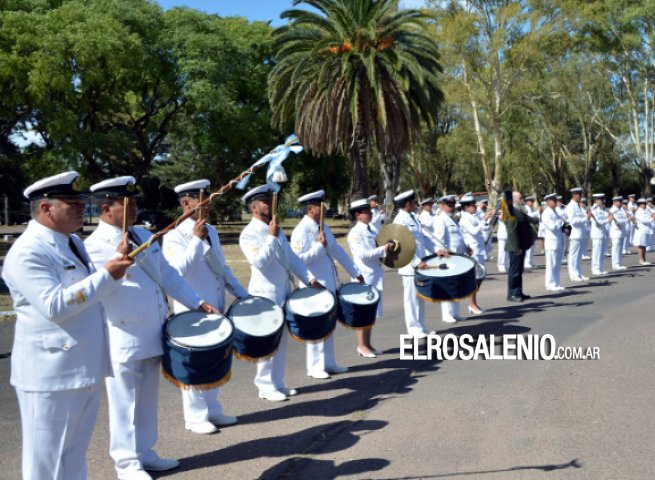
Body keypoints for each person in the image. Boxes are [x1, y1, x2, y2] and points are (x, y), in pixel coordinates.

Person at [85, 176, 221, 479]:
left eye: (134, 202)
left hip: (152, 330)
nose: (133, 207)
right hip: (123, 334)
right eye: (126, 203)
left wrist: (197, 301)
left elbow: (169, 275)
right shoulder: (94, 246)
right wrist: (118, 259)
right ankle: (126, 463)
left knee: (147, 399)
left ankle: (145, 452)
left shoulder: (143, 234)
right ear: (107, 209)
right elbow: (98, 289)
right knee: (124, 404)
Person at [2, 171, 133, 480]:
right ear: (46, 208)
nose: (80, 207)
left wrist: (113, 268)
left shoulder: (71, 241)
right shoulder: (28, 251)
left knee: (73, 454)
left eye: (79, 201)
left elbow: (87, 291)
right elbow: (54, 306)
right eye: (71, 202)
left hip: (82, 365)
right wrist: (107, 275)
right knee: (44, 463)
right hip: (50, 373)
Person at [162, 179, 249, 435]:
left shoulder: (210, 230)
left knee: (214, 357)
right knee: (194, 361)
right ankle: (194, 417)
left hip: (216, 302)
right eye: (204, 201)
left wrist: (243, 294)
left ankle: (213, 408)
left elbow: (222, 267)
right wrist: (196, 242)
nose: (209, 206)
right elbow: (176, 273)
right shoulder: (174, 236)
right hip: (191, 306)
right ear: (187, 203)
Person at [239, 185, 320, 401]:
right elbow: (260, 263)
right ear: (255, 208)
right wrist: (271, 237)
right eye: (266, 202)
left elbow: (291, 258)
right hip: (265, 294)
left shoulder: (277, 229)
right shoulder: (249, 234)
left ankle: (278, 381)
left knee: (282, 340)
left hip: (283, 290)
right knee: (268, 341)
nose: (271, 205)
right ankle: (265, 386)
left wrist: (309, 278)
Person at [291, 190, 362, 379]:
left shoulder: (323, 226)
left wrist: (355, 272)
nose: (325, 208)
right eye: (320, 206)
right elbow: (298, 260)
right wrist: (318, 248)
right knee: (316, 326)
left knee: (328, 324)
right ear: (310, 209)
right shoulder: (301, 230)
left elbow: (337, 250)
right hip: (313, 286)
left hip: (329, 283)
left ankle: (329, 363)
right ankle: (314, 367)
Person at [346, 199, 394, 357]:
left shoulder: (370, 230)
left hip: (375, 275)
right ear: (358, 215)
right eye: (366, 211)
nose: (369, 214)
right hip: (364, 276)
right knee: (363, 312)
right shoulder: (355, 233)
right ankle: (361, 345)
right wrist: (383, 250)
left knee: (370, 312)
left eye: (369, 211)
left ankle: (368, 344)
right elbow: (362, 255)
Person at [392, 190, 435, 336]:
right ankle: (413, 328)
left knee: (420, 297)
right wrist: (416, 262)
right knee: (411, 299)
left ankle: (421, 325)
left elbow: (423, 239)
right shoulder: (399, 221)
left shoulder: (413, 217)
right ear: (407, 203)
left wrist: (438, 250)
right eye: (413, 202)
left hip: (420, 263)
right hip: (410, 266)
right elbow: (401, 246)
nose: (416, 204)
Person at [433, 195, 468, 322]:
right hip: (448, 257)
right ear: (441, 205)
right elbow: (438, 239)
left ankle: (456, 312)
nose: (452, 207)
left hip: (457, 256)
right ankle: (447, 314)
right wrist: (442, 253)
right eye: (449, 205)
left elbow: (457, 236)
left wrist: (465, 247)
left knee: (456, 285)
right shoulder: (440, 219)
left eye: (453, 205)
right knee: (448, 286)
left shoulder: (451, 218)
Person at [458, 193, 492, 314]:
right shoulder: (464, 219)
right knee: (474, 279)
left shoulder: (473, 216)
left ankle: (473, 304)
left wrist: (486, 222)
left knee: (479, 277)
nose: (475, 207)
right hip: (472, 251)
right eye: (473, 205)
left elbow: (484, 229)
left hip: (480, 250)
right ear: (466, 207)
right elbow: (474, 231)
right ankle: (472, 305)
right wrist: (484, 220)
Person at [505, 191, 539, 302]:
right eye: (520, 198)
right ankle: (512, 294)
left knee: (519, 270)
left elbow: (528, 219)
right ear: (513, 199)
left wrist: (539, 218)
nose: (522, 200)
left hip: (521, 244)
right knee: (514, 271)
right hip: (515, 246)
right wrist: (517, 247)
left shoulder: (518, 209)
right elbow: (512, 231)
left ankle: (518, 292)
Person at [541, 193, 565, 291]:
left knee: (557, 264)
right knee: (551, 265)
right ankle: (550, 284)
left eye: (556, 200)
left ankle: (556, 283)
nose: (555, 202)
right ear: (548, 202)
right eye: (553, 201)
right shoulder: (546, 213)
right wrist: (560, 222)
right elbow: (552, 227)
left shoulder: (555, 212)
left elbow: (563, 222)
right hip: (551, 243)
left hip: (558, 241)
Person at [565, 187, 590, 281]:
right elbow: (573, 221)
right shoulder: (571, 206)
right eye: (579, 195)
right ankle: (573, 274)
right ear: (574, 195)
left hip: (580, 234)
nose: (580, 196)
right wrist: (585, 218)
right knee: (573, 255)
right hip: (575, 234)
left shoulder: (577, 205)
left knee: (579, 256)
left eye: (581, 195)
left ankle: (579, 273)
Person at [589, 193, 610, 276]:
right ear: (596, 200)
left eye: (603, 199)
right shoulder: (593, 210)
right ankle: (595, 269)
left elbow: (604, 218)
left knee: (601, 252)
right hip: (597, 234)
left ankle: (600, 268)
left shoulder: (602, 209)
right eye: (601, 200)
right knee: (596, 252)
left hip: (602, 234)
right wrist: (608, 220)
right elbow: (599, 222)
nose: (603, 201)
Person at [609, 196, 629, 271]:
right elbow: (619, 220)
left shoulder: (620, 209)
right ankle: (615, 264)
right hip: (616, 232)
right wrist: (627, 219)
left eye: (621, 201)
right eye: (619, 202)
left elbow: (624, 218)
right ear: (614, 202)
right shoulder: (613, 210)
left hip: (621, 231)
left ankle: (619, 263)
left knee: (620, 248)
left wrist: (626, 219)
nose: (620, 203)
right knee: (616, 248)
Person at [633, 198, 654, 265]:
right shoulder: (639, 211)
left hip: (645, 230)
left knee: (644, 246)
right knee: (641, 246)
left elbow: (648, 218)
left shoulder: (645, 211)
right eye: (644, 204)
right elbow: (643, 220)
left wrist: (651, 217)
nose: (645, 205)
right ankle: (641, 260)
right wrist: (652, 218)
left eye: (645, 203)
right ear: (640, 205)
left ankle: (644, 260)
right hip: (641, 231)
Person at [523, 195, 539, 268]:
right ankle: (526, 262)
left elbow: (537, 217)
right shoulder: (525, 208)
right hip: (527, 230)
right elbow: (530, 217)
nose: (532, 203)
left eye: (533, 201)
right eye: (530, 201)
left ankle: (531, 261)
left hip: (533, 230)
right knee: (528, 247)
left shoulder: (533, 209)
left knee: (533, 246)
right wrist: (538, 212)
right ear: (527, 202)